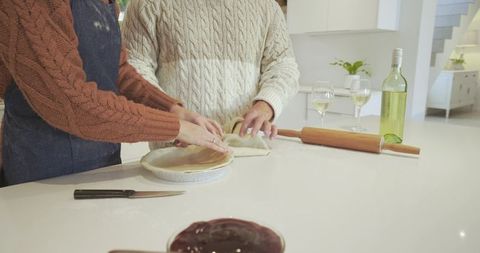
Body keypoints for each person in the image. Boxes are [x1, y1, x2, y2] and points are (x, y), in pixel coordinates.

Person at [0, 0, 229, 186]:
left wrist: (171, 108)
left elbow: (116, 71)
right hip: (41, 175)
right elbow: (70, 103)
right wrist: (175, 127)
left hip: (103, 161)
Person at [121, 0, 299, 149]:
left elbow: (283, 65)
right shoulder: (147, 4)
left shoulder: (267, 7)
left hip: (243, 150)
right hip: (175, 155)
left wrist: (266, 104)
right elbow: (133, 68)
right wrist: (172, 119)